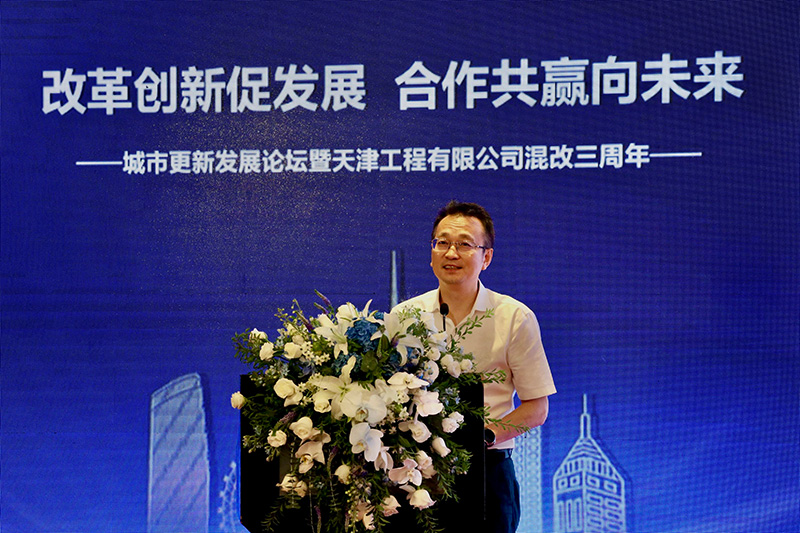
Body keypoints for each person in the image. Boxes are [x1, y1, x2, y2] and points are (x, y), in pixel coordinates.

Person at [395, 201, 556, 533]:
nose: (451, 253)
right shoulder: (404, 316)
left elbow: (537, 407)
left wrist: (482, 438)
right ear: (431, 253)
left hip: (488, 470)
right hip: (416, 472)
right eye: (442, 242)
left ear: (487, 257)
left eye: (465, 244)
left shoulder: (514, 317)